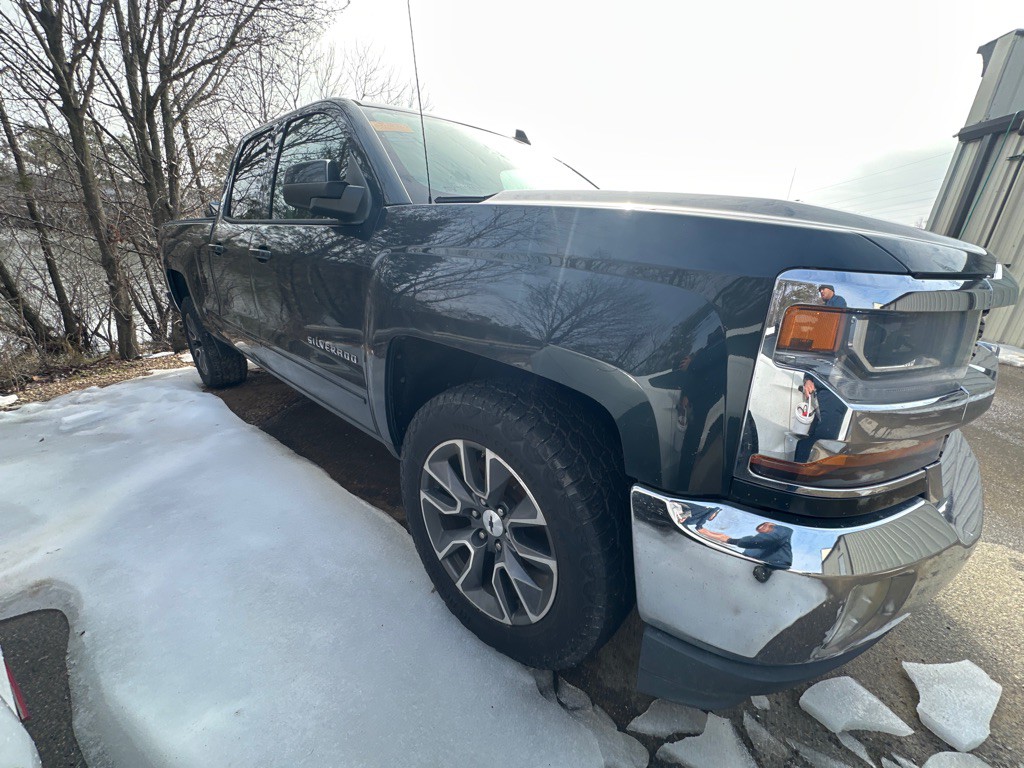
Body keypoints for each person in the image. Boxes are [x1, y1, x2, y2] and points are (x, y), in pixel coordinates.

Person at [704, 522, 793, 569]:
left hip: (777, 567)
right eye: (760, 531)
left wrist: (730, 540)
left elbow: (768, 539)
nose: (762, 531)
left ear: (771, 524)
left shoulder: (782, 531)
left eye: (764, 527)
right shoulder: (756, 546)